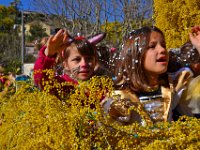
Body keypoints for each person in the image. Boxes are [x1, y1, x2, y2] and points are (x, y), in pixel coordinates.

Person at [101, 26, 193, 125]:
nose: (162, 50)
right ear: (134, 54)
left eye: (163, 45)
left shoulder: (172, 86)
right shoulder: (120, 98)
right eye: (152, 46)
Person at [34, 29, 106, 98]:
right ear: (65, 65)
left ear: (95, 61)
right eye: (77, 59)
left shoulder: (101, 87)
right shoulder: (60, 85)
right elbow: (40, 79)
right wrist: (48, 55)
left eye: (89, 59)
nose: (84, 64)